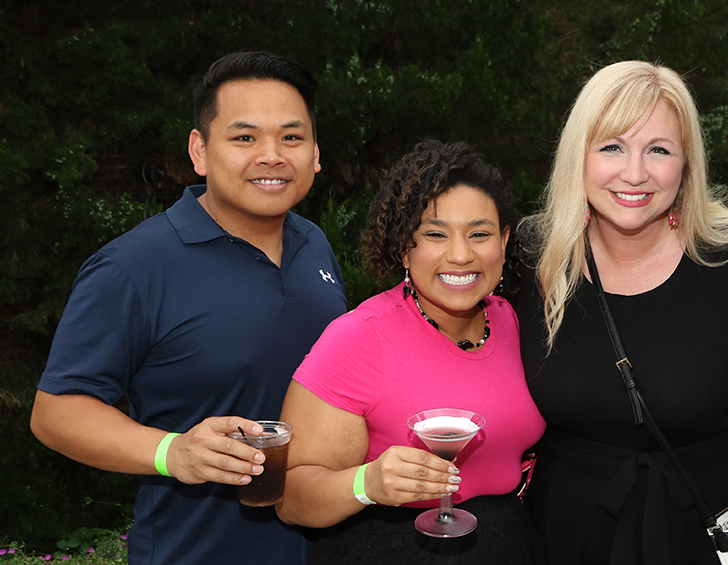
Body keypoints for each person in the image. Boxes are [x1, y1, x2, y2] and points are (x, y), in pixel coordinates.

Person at [29, 51, 348, 565]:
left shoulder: (314, 244)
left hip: (325, 547)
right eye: (244, 137)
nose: (271, 155)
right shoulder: (133, 266)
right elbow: (55, 413)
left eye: (291, 137)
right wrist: (172, 452)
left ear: (315, 154)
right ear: (199, 150)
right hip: (196, 551)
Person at [510, 61, 728, 564]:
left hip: (709, 539)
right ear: (579, 155)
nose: (634, 174)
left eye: (658, 150)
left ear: (686, 164)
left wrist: (720, 416)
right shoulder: (531, 258)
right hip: (563, 541)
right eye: (612, 146)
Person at [276, 139, 545, 564]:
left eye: (480, 234)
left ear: (505, 240)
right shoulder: (359, 338)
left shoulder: (515, 321)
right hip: (392, 547)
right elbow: (290, 497)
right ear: (404, 245)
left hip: (510, 542)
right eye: (435, 235)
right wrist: (369, 483)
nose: (461, 255)